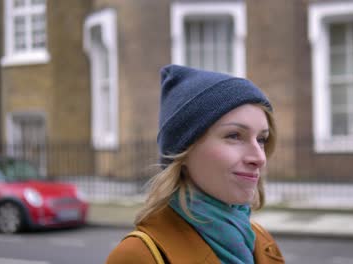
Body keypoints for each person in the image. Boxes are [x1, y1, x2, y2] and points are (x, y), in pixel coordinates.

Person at [106, 64, 284, 264]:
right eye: (234, 135)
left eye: (261, 139)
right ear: (184, 150)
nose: (260, 158)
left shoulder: (261, 240)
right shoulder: (139, 256)